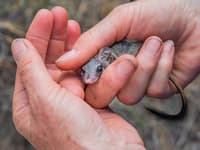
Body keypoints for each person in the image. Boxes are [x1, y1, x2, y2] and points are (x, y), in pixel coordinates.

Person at [11, 0, 200, 149]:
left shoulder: (108, 56)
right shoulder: (98, 64)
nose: (88, 79)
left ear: (107, 59)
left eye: (97, 72)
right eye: (84, 72)